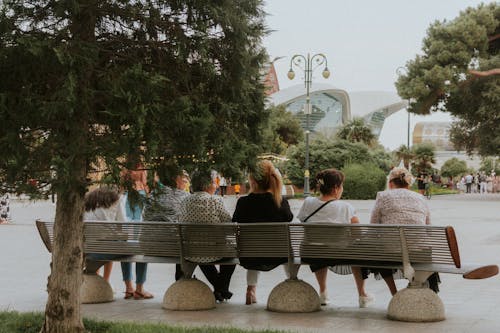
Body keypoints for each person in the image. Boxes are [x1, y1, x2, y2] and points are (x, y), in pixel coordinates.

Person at [297, 169, 373, 307]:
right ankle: (362, 294)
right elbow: (358, 234)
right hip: (339, 253)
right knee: (359, 249)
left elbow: (303, 222)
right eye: (342, 186)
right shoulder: (345, 207)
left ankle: (323, 292)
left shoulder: (308, 203)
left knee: (319, 244)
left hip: (311, 253)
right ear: (336, 188)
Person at [369, 167, 438, 295]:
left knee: (376, 252)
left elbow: (373, 226)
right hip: (420, 253)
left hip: (391, 253)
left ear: (390, 183)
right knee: (424, 251)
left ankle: (394, 293)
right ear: (408, 183)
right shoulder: (420, 198)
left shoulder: (383, 196)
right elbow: (429, 229)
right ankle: (418, 287)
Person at [232, 160, 293, 305]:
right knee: (287, 247)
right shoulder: (281, 202)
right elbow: (289, 218)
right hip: (278, 255)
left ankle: (250, 290)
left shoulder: (243, 203)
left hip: (249, 255)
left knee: (254, 246)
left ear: (252, 180)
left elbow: (235, 220)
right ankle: (292, 281)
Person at [178, 169, 235, 302]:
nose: (216, 185)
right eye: (215, 182)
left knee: (201, 250)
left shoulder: (185, 201)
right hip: (215, 251)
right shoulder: (216, 201)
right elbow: (229, 225)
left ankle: (220, 289)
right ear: (207, 185)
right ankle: (221, 288)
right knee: (230, 254)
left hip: (190, 251)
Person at [143, 169, 190, 280]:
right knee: (184, 241)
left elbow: (145, 217)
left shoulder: (151, 196)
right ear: (175, 180)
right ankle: (181, 278)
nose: (186, 183)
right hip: (173, 248)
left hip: (149, 246)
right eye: (184, 180)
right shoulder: (185, 197)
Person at [120, 161, 152, 299]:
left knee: (126, 252)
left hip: (126, 232)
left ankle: (129, 288)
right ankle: (139, 288)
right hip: (139, 232)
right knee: (141, 250)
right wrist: (145, 184)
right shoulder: (144, 191)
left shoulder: (122, 192)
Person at [83, 187, 127, 282]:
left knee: (107, 241)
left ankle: (95, 277)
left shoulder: (87, 202)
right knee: (115, 242)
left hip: (87, 247)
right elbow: (122, 224)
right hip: (105, 248)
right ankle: (106, 280)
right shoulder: (116, 200)